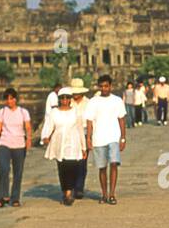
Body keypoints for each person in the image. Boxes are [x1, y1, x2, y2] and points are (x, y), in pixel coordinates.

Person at [84, 73, 127, 204]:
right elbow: (89, 121)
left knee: (114, 164)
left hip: (114, 136)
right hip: (99, 138)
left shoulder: (117, 101)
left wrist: (123, 138)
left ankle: (112, 194)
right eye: (101, 86)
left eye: (106, 86)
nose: (104, 89)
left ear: (111, 86)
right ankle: (104, 194)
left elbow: (122, 120)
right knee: (102, 167)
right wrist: (89, 138)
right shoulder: (93, 102)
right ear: (98, 87)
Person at [0, 88, 32, 208]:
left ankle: (15, 198)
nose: (9, 101)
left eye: (11, 99)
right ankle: (3, 196)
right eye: (7, 99)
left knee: (18, 172)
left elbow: (27, 127)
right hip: (4, 143)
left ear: (15, 99)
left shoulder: (23, 112)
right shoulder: (2, 112)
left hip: (19, 144)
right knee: (3, 168)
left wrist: (29, 139)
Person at [42, 86, 88, 205]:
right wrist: (46, 136)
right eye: (63, 98)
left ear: (70, 99)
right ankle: (66, 191)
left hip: (73, 142)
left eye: (67, 98)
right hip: (59, 143)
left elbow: (79, 129)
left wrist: (84, 147)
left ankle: (70, 190)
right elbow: (49, 126)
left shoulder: (75, 112)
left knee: (73, 167)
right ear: (59, 99)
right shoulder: (54, 112)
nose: (65, 100)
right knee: (62, 168)